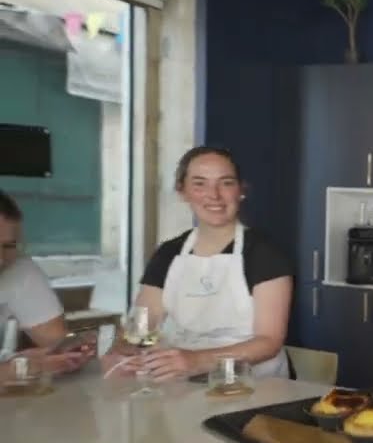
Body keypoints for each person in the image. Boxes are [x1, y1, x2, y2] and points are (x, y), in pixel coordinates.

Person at [102, 146, 293, 381]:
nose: (214, 195)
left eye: (226, 183)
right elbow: (141, 325)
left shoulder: (265, 254)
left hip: (255, 384)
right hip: (183, 381)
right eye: (199, 183)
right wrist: (119, 350)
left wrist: (196, 361)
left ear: (240, 191)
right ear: (183, 192)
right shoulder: (168, 253)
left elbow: (269, 342)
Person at [0, 190, 94, 376]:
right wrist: (18, 368)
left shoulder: (19, 270)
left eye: (8, 246)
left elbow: (58, 346)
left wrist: (75, 349)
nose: (0, 259)